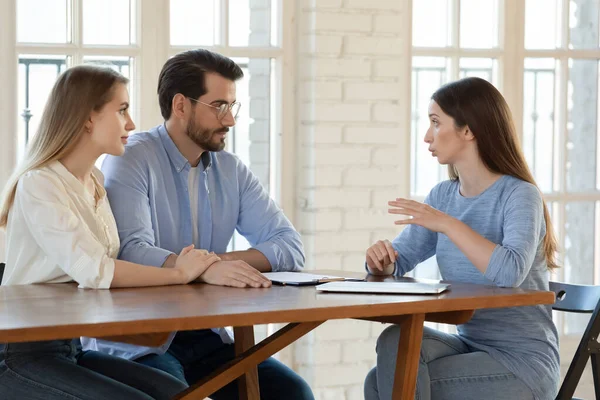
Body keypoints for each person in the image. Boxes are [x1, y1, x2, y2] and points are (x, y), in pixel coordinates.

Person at [87, 49, 313, 400]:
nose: (231, 120)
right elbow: (133, 250)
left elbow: (288, 246)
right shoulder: (132, 159)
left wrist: (212, 265)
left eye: (232, 107)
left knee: (290, 392)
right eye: (219, 106)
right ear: (181, 106)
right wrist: (203, 269)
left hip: (204, 332)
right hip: (141, 338)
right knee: (173, 392)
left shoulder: (231, 170)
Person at [0, 65, 221, 400]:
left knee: (177, 393)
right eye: (122, 110)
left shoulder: (95, 183)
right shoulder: (40, 184)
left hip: (69, 348)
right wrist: (178, 274)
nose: (131, 123)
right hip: (19, 356)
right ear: (88, 117)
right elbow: (97, 271)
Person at [363, 77, 560, 400]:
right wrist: (381, 262)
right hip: (470, 344)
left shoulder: (519, 195)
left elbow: (510, 273)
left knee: (389, 384)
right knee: (392, 343)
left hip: (524, 363)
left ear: (468, 130)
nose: (427, 136)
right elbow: (399, 261)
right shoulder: (443, 195)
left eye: (436, 122)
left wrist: (448, 224)